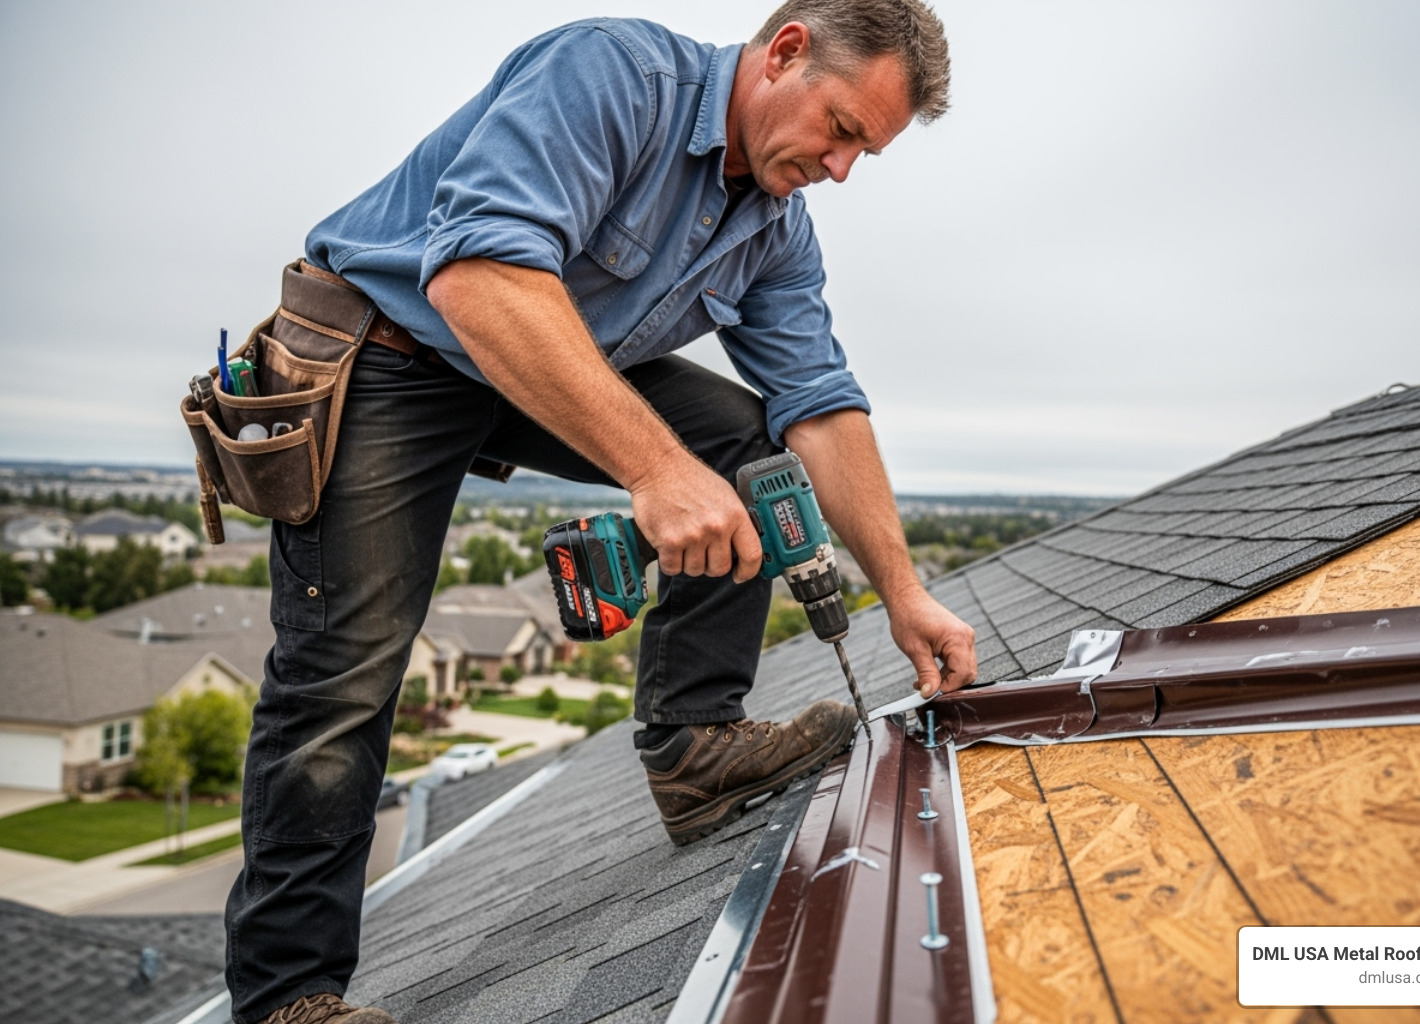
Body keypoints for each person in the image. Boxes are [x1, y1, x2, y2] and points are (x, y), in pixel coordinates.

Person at [225, 3, 977, 1023]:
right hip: (391, 350)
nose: (842, 167)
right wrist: (654, 471)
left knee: (752, 450)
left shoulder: (775, 226)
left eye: (864, 154)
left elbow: (821, 406)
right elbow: (481, 281)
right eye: (841, 129)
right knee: (344, 671)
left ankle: (693, 745)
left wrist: (905, 592)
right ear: (786, 50)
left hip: (534, 356)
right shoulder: (613, 77)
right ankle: (287, 993)